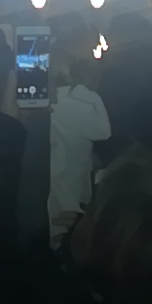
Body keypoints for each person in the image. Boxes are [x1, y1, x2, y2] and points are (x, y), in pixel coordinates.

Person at [46, 51, 111, 246]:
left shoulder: (40, 103)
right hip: (75, 179)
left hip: (49, 179)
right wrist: (90, 94)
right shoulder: (83, 104)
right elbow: (104, 132)